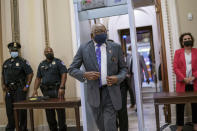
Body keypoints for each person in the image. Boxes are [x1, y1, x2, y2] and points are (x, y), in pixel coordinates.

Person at [68, 24, 127, 131]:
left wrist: (118, 78)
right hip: (94, 94)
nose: (101, 34)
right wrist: (84, 74)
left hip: (110, 92)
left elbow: (124, 69)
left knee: (110, 125)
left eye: (103, 31)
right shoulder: (83, 48)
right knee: (101, 126)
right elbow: (71, 69)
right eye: (98, 32)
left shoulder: (115, 47)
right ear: (92, 35)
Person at [32, 47, 67, 131]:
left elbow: (64, 74)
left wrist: (62, 87)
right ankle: (53, 129)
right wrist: (35, 90)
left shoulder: (58, 62)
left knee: (60, 112)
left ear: (53, 52)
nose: (49, 52)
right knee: (49, 113)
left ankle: (62, 129)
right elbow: (38, 78)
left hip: (57, 90)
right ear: (44, 53)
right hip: (46, 91)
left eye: (50, 51)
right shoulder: (42, 64)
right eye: (47, 51)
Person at [1, 42, 33, 131]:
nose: (14, 51)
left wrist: (27, 86)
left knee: (22, 110)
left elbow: (30, 74)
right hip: (8, 90)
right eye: (12, 50)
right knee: (9, 110)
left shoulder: (23, 62)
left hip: (19, 89)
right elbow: (3, 75)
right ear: (9, 51)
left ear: (18, 51)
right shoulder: (6, 63)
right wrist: (3, 85)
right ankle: (11, 128)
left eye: (15, 50)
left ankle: (22, 128)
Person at [173, 32, 197, 131]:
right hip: (182, 83)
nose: (187, 40)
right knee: (180, 105)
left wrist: (193, 77)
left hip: (194, 82)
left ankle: (196, 124)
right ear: (182, 42)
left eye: (189, 38)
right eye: (185, 39)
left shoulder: (196, 51)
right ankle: (179, 126)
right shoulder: (178, 52)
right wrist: (184, 78)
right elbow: (175, 67)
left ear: (192, 40)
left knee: (196, 105)